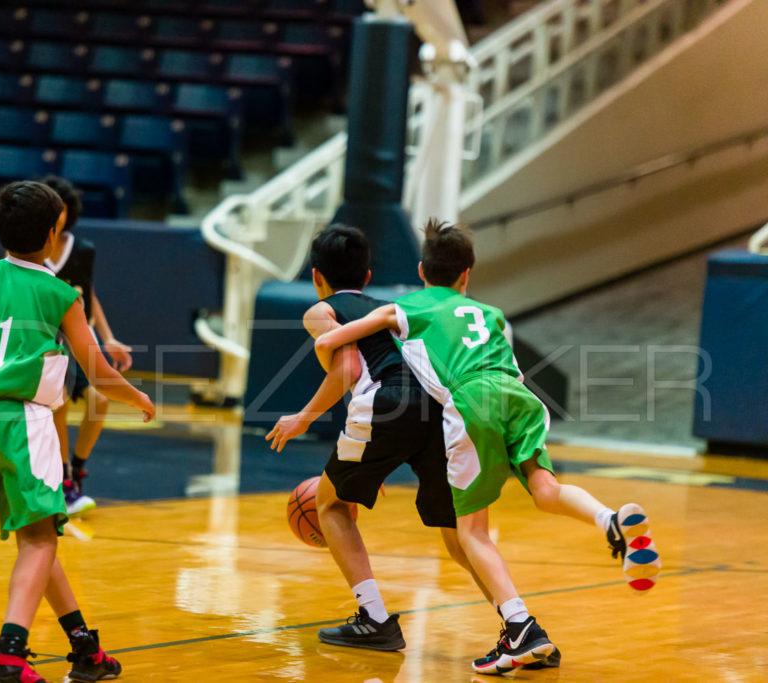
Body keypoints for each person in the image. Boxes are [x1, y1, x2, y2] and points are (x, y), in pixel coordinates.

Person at [315, 219, 662, 674]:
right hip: (520, 398)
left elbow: (339, 336)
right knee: (546, 489)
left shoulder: (410, 306)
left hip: (472, 402)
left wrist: (330, 337)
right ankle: (609, 519)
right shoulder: (491, 314)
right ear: (467, 274)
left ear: (422, 271)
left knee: (471, 532)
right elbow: (506, 363)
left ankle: (520, 629)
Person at [0, 180, 154, 683]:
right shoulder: (61, 292)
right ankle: (10, 653)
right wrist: (139, 397)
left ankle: (85, 648)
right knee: (39, 540)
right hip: (21, 418)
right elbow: (100, 373)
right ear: (56, 232)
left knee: (37, 534)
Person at [266, 224, 475, 653]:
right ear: (366, 277)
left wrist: (303, 418)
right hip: (436, 410)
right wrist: (378, 458)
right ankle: (517, 621)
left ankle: (374, 618)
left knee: (329, 504)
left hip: (387, 402)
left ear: (315, 277)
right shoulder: (390, 306)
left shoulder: (320, 311)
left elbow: (349, 372)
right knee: (458, 534)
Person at [40, 175, 133, 516]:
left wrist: (108, 337)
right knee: (58, 401)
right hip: (45, 338)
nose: (57, 215)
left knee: (100, 398)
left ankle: (78, 467)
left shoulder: (82, 250)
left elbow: (88, 295)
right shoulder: (31, 250)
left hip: (78, 335)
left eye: (61, 209)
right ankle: (62, 477)